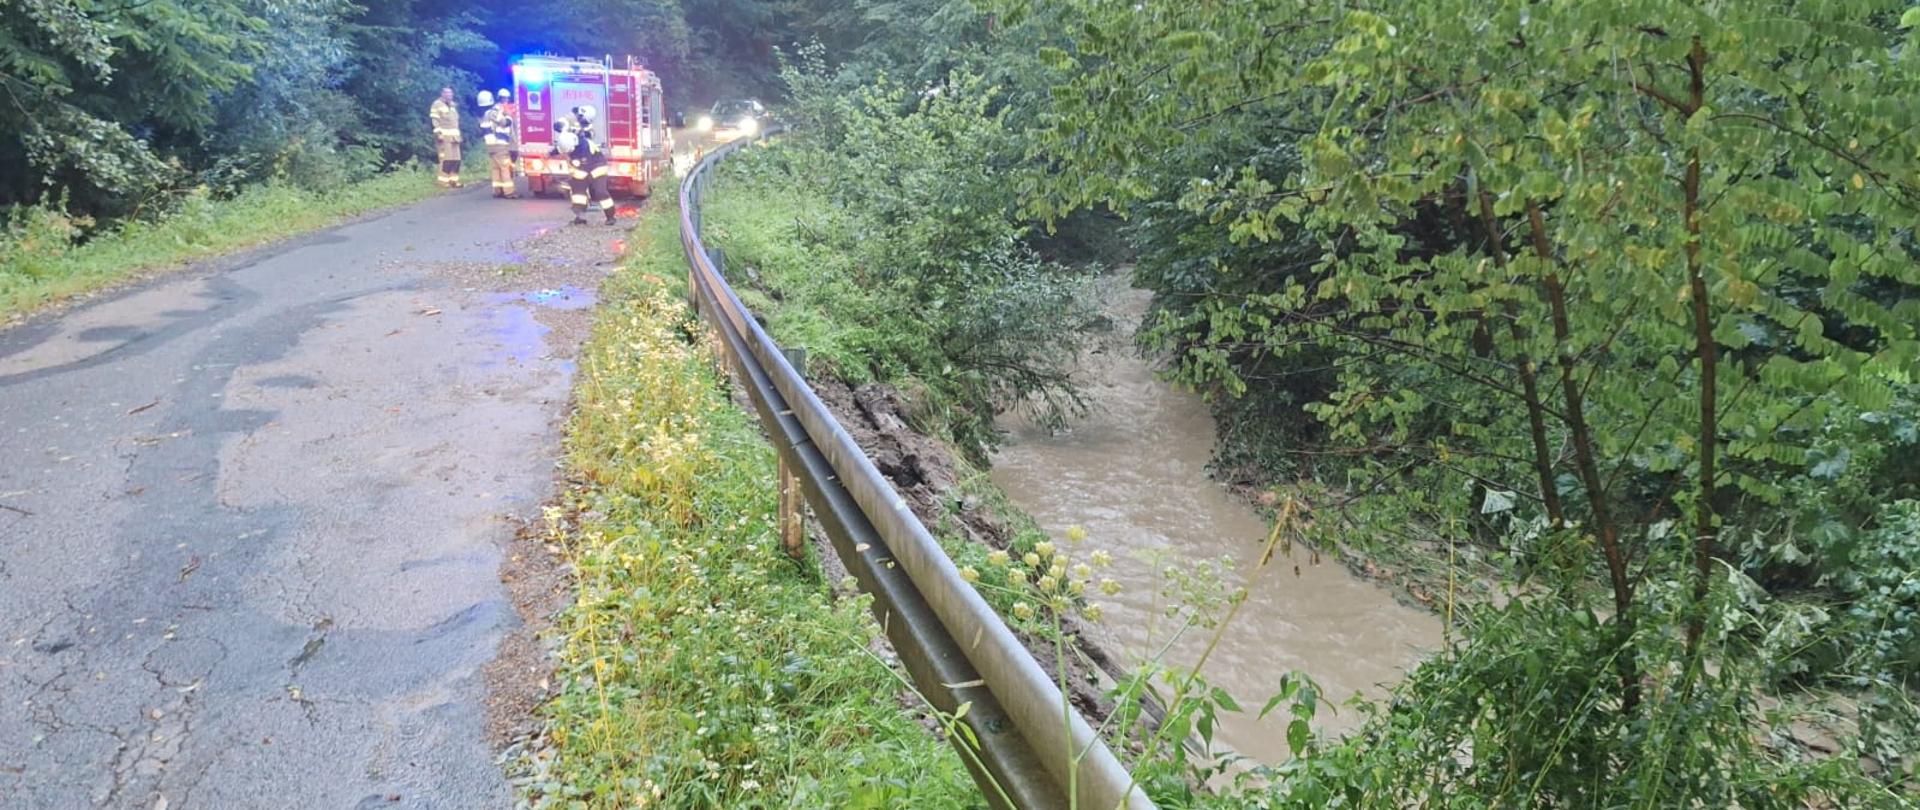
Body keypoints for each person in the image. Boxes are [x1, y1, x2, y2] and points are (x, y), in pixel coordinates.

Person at [554, 106, 615, 225]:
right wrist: (551, 152)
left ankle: (610, 217)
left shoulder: (583, 147)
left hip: (597, 167)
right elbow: (562, 143)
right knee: (578, 193)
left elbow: (584, 164)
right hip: (583, 167)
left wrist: (577, 178)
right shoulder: (569, 130)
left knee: (600, 192)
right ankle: (579, 216)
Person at [477, 90, 518, 198]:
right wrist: (508, 116)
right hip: (499, 144)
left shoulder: (483, 115)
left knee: (495, 168)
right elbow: (504, 122)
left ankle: (497, 190)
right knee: (505, 167)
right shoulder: (493, 113)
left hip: (490, 145)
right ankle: (509, 192)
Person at [429, 87, 463, 188]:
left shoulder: (453, 105)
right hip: (444, 137)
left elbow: (455, 122)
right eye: (447, 93)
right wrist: (438, 134)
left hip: (455, 138)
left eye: (451, 93)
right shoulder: (437, 105)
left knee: (456, 159)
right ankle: (443, 181)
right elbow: (434, 121)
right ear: (442, 94)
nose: (450, 95)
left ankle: (454, 180)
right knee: (446, 159)